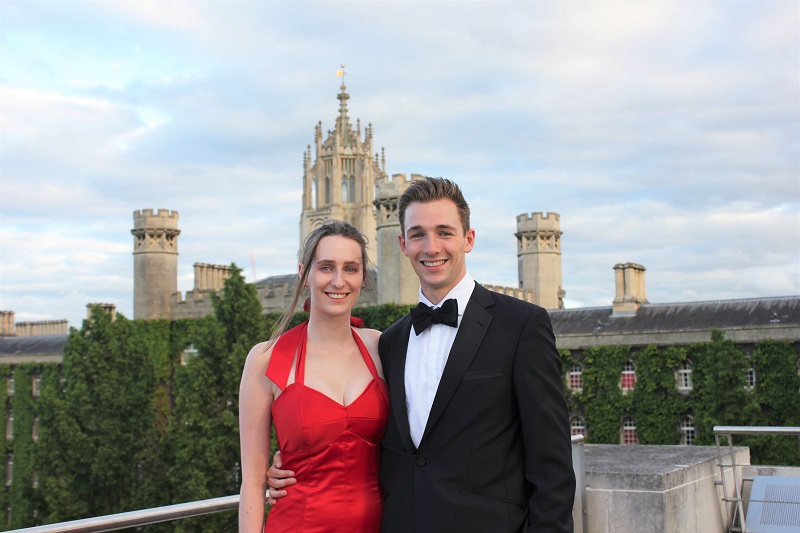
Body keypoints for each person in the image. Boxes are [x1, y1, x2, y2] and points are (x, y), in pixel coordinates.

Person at [269, 177, 576, 532]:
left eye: (444, 232)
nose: (431, 247)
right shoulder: (390, 342)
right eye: (418, 234)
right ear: (402, 244)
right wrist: (289, 466)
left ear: (468, 239)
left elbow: (551, 464)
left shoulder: (522, 325)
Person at [238, 220, 388, 533]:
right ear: (305, 274)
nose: (338, 280)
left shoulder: (382, 348)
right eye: (325, 267)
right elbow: (252, 482)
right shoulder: (265, 360)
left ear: (363, 277)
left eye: (350, 268)